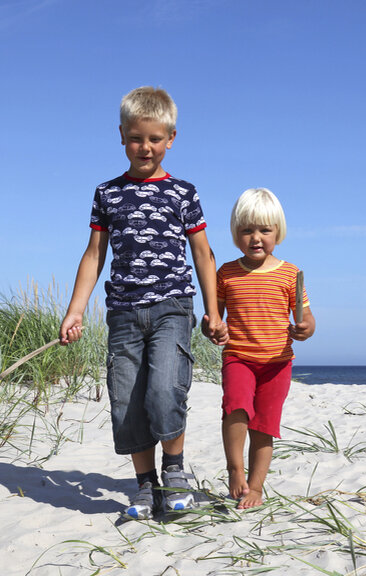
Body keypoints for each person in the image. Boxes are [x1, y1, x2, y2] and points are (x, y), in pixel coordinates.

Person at [59, 86, 226, 520]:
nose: (145, 147)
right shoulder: (107, 193)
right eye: (136, 138)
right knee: (127, 401)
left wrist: (213, 311)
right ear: (121, 136)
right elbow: (94, 254)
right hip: (124, 314)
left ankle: (174, 473)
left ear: (171, 138)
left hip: (173, 307)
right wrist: (75, 310)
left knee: (165, 388)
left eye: (155, 139)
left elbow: (203, 254)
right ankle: (145, 486)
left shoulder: (183, 193)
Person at [215, 188, 316, 509]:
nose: (255, 238)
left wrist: (304, 329)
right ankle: (235, 470)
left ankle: (256, 487)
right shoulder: (227, 273)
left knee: (264, 426)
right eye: (246, 230)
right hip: (239, 358)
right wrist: (212, 328)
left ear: (278, 233)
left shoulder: (290, 274)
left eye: (264, 230)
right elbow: (214, 318)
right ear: (236, 234)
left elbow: (307, 318)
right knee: (236, 407)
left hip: (277, 362)